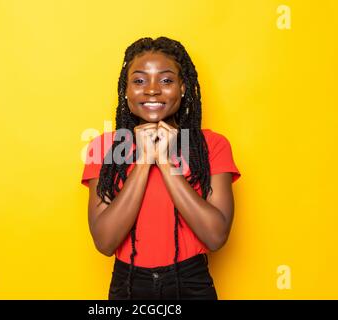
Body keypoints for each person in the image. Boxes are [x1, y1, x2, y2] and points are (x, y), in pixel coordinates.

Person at [81, 36, 241, 300]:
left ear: (183, 88)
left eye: (166, 80)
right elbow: (105, 241)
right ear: (126, 90)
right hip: (129, 284)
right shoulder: (105, 148)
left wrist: (165, 161)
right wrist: (144, 159)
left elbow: (215, 237)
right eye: (139, 80)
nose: (152, 90)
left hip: (191, 282)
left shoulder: (211, 145)